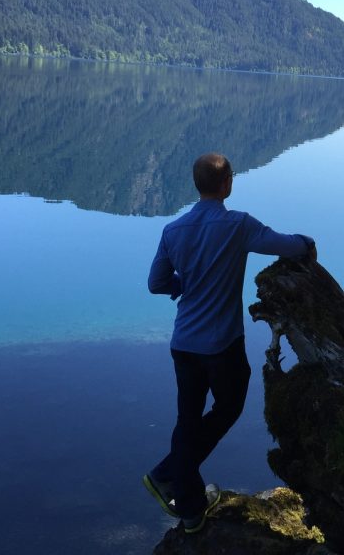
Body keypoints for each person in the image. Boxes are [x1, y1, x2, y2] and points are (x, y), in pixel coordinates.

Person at [142, 152, 315, 533]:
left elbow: (156, 284)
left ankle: (187, 507)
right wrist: (307, 241)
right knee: (230, 405)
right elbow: (285, 245)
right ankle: (169, 474)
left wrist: (181, 284)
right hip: (222, 345)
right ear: (228, 184)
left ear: (196, 183)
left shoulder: (173, 230)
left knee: (187, 420)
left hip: (183, 343)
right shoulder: (238, 225)